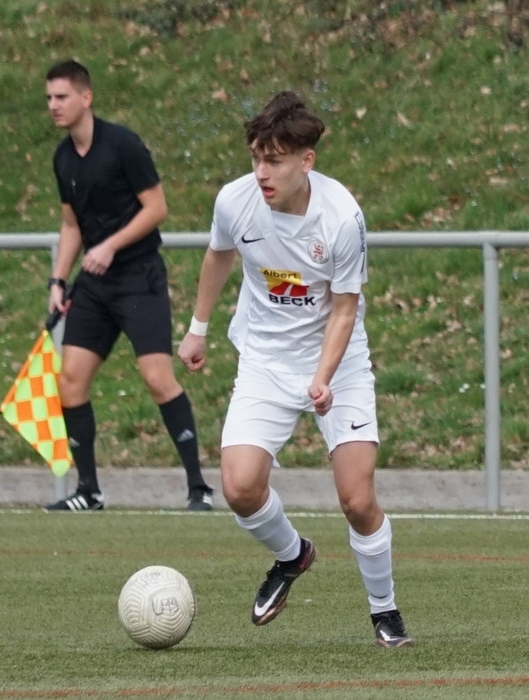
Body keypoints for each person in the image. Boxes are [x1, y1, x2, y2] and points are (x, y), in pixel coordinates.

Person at [178, 92, 412, 647]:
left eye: (275, 160)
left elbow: (345, 307)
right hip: (265, 360)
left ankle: (385, 611)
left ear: (306, 161)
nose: (262, 172)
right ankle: (292, 555)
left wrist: (324, 376)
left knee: (356, 499)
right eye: (256, 158)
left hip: (339, 363)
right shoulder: (235, 201)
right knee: (239, 487)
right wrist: (197, 327)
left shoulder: (342, 218)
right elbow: (218, 254)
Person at [42, 59, 213, 512]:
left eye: (61, 96)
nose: (54, 105)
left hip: (139, 276)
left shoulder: (123, 145)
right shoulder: (62, 157)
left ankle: (199, 488)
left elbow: (157, 208)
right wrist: (58, 280)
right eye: (49, 98)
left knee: (157, 379)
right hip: (94, 285)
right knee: (70, 382)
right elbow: (71, 225)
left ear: (86, 97)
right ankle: (89, 491)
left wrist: (110, 245)